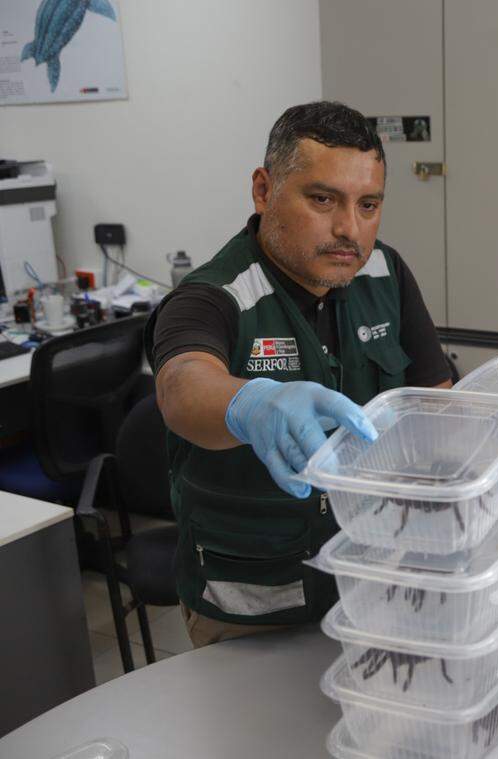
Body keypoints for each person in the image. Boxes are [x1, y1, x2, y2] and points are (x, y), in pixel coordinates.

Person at [145, 101, 452, 648]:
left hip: (374, 583)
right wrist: (250, 403)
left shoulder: (384, 271)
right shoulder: (214, 295)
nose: (348, 229)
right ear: (264, 191)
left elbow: (437, 396)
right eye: (322, 199)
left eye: (369, 204)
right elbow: (181, 383)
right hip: (255, 601)